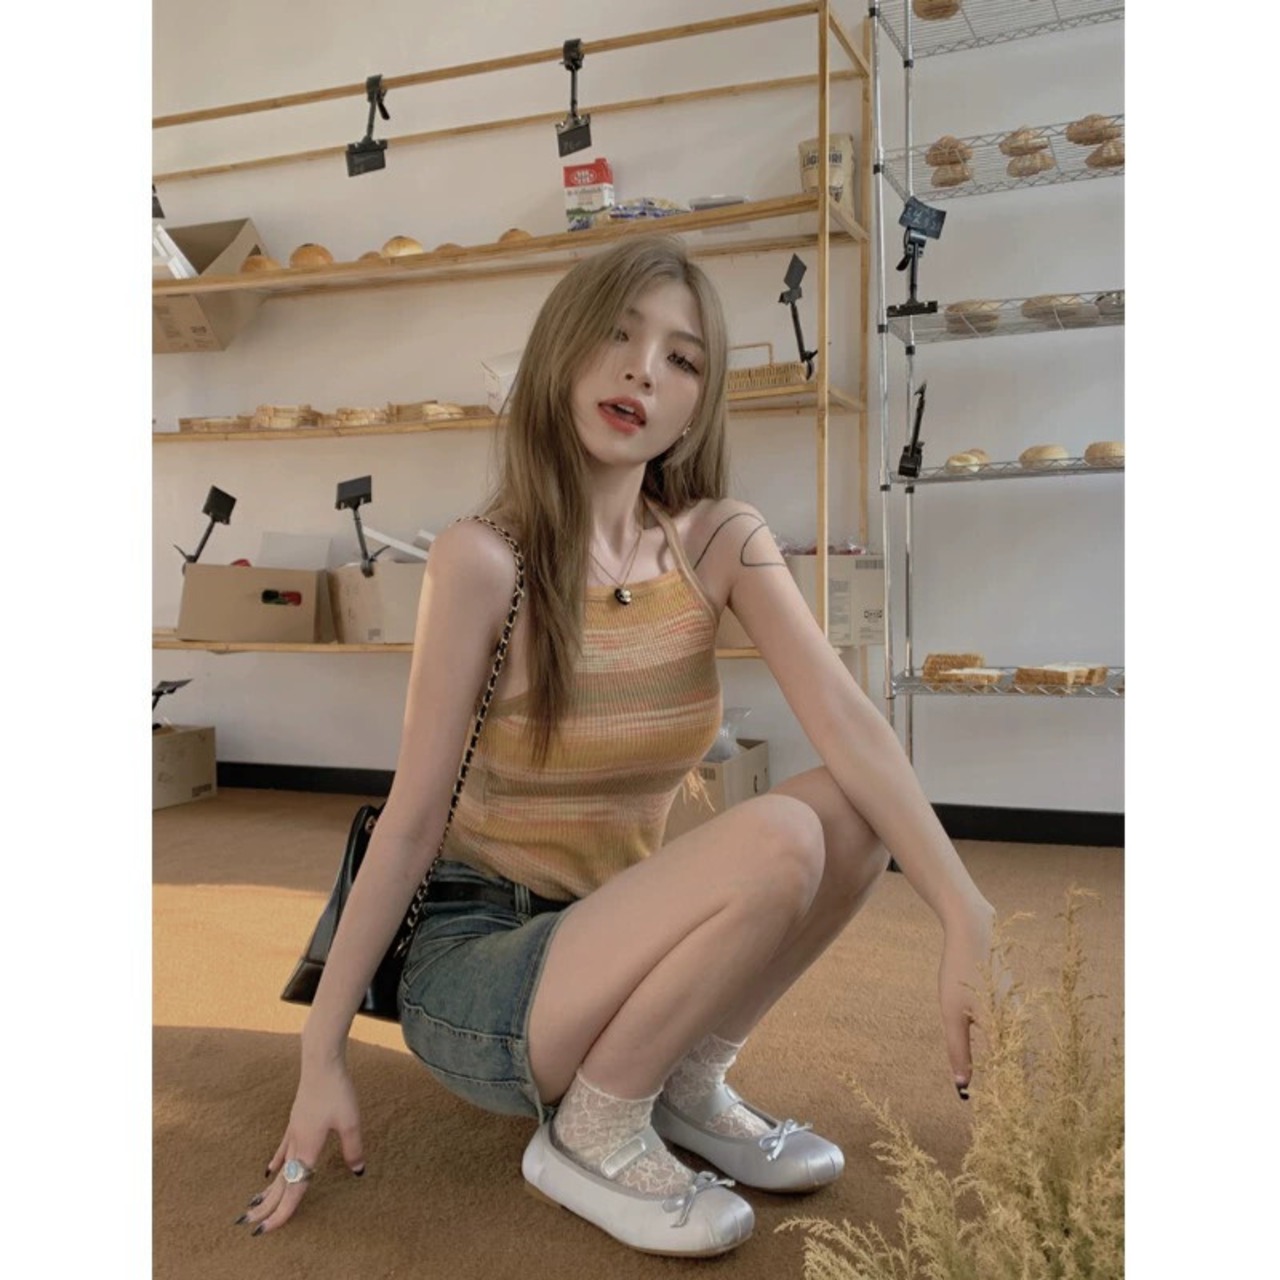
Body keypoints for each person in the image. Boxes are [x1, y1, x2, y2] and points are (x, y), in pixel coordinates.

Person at [237, 234, 996, 1257]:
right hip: (481, 963)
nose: (643, 369)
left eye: (682, 358)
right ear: (561, 349)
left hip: (611, 925)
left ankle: (681, 1079)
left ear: (696, 405)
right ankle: (588, 1132)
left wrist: (964, 910)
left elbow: (848, 720)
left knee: (851, 814)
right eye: (618, 334)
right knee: (778, 836)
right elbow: (411, 819)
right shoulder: (481, 558)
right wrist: (319, 1048)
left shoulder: (720, 539)